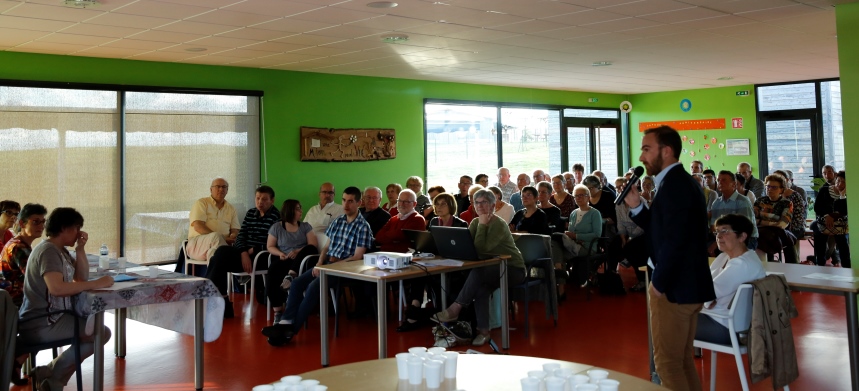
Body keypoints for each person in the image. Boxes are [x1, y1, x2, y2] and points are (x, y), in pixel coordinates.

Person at [623, 125, 714, 391]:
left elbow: (676, 242)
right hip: (685, 284)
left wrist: (658, 284)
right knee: (682, 361)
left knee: (667, 365)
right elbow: (664, 230)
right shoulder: (677, 183)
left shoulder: (675, 186)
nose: (642, 157)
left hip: (674, 288)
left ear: (667, 151)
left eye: (646, 149)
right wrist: (637, 207)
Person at [261, 187, 374, 346]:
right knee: (297, 283)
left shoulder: (363, 226)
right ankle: (285, 323)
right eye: (343, 200)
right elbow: (326, 248)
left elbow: (357, 257)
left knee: (315, 287)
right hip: (327, 264)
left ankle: (290, 330)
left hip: (345, 269)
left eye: (350, 201)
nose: (346, 205)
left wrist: (332, 266)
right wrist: (320, 264)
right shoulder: (338, 221)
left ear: (358, 203)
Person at [18, 207, 114, 391]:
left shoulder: (59, 250)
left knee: (100, 331)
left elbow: (81, 278)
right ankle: (55, 380)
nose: (79, 233)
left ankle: (50, 372)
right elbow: (57, 288)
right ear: (65, 228)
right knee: (100, 333)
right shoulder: (48, 252)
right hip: (41, 322)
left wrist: (80, 249)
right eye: (77, 228)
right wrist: (97, 283)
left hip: (54, 317)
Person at [433, 189, 526, 346]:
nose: (480, 205)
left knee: (479, 271)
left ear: (492, 205)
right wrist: (480, 225)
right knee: (481, 289)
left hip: (512, 268)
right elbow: (471, 249)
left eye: (484, 202)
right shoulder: (475, 223)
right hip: (490, 269)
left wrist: (483, 225)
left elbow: (482, 250)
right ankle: (484, 333)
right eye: (477, 202)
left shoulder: (499, 224)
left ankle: (455, 308)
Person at [204, 185, 281, 318]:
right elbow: (241, 236)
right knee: (220, 254)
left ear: (272, 201)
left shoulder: (277, 217)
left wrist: (251, 251)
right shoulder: (251, 213)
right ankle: (221, 300)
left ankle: (217, 302)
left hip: (261, 257)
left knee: (218, 260)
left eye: (264, 199)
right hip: (244, 255)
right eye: (257, 198)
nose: (260, 202)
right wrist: (244, 252)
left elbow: (274, 243)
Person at [695, 214, 765, 345]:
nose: (719, 236)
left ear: (742, 237)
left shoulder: (742, 264)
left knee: (665, 324)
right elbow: (704, 288)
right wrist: (707, 298)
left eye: (725, 231)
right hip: (716, 318)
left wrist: (706, 297)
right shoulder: (724, 257)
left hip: (725, 326)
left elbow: (705, 293)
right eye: (717, 232)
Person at [265, 199, 319, 324]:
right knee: (272, 272)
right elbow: (270, 246)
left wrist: (297, 251)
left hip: (301, 261)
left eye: (300, 208)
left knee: (309, 248)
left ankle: (291, 275)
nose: (301, 211)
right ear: (290, 211)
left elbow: (313, 244)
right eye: (298, 209)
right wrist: (280, 254)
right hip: (285, 258)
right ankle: (278, 311)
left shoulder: (305, 226)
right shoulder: (277, 227)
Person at [184, 178, 240, 269]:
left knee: (214, 253)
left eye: (224, 187)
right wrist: (222, 238)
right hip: (197, 245)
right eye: (218, 186)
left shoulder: (231, 208)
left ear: (227, 191)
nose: (221, 189)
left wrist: (233, 235)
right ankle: (238, 271)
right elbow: (198, 226)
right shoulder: (202, 203)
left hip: (218, 246)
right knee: (217, 237)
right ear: (211, 189)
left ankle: (213, 280)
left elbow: (235, 229)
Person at [1, 203, 47, 306]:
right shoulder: (18, 247)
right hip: (18, 304)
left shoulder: (20, 243)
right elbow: (37, 279)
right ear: (22, 224)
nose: (41, 226)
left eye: (43, 222)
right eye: (36, 222)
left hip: (21, 299)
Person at [561, 184, 603, 295]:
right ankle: (560, 280)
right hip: (574, 244)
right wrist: (572, 237)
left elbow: (596, 234)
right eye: (576, 196)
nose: (578, 198)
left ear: (588, 197)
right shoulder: (573, 213)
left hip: (588, 247)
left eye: (581, 195)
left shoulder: (595, 213)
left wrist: (577, 236)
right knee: (558, 242)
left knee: (561, 241)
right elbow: (571, 231)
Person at [608, 182, 648, 292]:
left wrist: (630, 238)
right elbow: (620, 223)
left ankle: (642, 280)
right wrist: (622, 237)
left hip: (641, 233)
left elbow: (644, 223)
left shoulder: (640, 201)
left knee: (631, 249)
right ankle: (612, 277)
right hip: (626, 232)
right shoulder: (618, 204)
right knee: (613, 246)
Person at [708, 170, 758, 255]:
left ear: (734, 184)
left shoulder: (742, 201)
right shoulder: (716, 203)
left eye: (724, 180)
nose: (720, 182)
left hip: (745, 238)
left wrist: (717, 243)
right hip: (725, 237)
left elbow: (744, 228)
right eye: (718, 180)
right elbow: (714, 227)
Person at [753, 174, 796, 263]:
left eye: (774, 187)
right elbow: (752, 220)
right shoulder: (759, 201)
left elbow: (782, 224)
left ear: (781, 189)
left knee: (765, 236)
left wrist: (761, 221)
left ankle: (771, 262)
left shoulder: (786, 203)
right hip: (761, 231)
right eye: (768, 186)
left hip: (779, 232)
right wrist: (773, 219)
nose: (770, 189)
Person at [813, 170, 849, 267]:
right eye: (838, 180)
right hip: (823, 221)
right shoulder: (824, 190)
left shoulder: (848, 194)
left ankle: (846, 266)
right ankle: (820, 263)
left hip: (840, 224)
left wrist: (842, 196)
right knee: (819, 237)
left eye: (843, 181)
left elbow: (845, 211)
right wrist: (827, 216)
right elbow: (817, 208)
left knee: (842, 242)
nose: (839, 183)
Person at [774, 169, 807, 263]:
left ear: (786, 181)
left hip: (794, 227)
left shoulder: (796, 195)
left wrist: (782, 226)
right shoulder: (770, 195)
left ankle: (792, 264)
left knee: (787, 236)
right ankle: (769, 263)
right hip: (776, 226)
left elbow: (798, 218)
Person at [304, 182, 344, 248]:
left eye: (330, 193)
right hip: (307, 242)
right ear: (319, 194)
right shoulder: (312, 209)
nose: (327, 195)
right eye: (324, 192)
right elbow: (303, 227)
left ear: (334, 194)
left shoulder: (340, 209)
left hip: (326, 245)